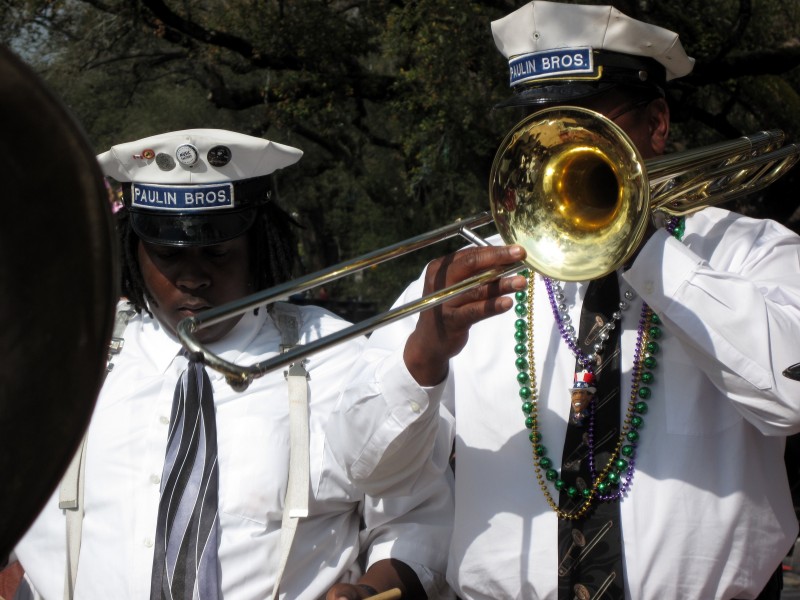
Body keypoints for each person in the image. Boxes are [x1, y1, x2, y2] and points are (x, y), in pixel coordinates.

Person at [327, 3, 800, 599]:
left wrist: (645, 250)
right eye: (541, 128)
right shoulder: (463, 281)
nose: (561, 148)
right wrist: (422, 357)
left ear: (656, 124)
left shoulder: (750, 252)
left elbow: (793, 395)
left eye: (587, 124)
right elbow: (358, 468)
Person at [12, 129, 453, 599]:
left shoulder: (336, 358)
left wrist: (370, 589)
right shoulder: (68, 357)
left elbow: (416, 517)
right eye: (167, 254)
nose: (193, 277)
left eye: (218, 252)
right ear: (134, 251)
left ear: (260, 246)